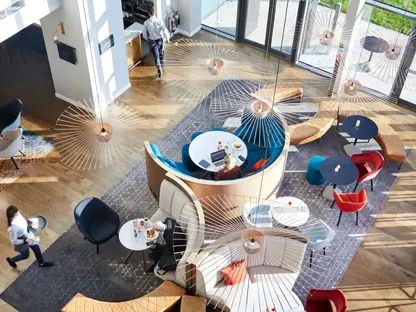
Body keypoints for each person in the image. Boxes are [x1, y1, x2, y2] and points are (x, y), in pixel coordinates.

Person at [143, 5, 170, 78]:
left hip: (152, 42)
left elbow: (144, 35)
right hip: (160, 40)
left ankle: (159, 71)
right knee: (161, 52)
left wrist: (148, 40)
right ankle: (161, 61)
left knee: (156, 57)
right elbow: (164, 30)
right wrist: (167, 39)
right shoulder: (159, 21)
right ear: (154, 12)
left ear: (148, 13)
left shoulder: (146, 23)